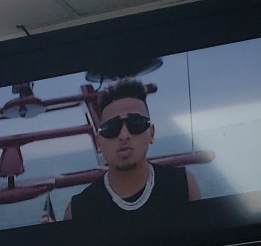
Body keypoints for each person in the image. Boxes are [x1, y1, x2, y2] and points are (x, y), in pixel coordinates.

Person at [65, 78, 201, 229]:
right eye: (112, 128)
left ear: (151, 133)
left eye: (136, 123)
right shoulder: (79, 210)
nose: (124, 135)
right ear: (99, 143)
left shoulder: (183, 184)